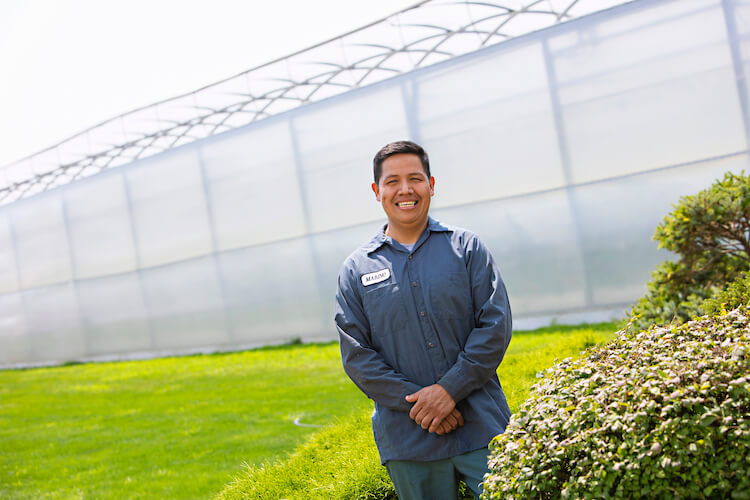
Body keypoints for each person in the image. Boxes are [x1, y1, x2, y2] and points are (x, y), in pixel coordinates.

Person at [334, 140, 513, 500]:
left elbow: (494, 325)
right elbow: (357, 356)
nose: (405, 190)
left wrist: (449, 391)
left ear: (431, 184)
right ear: (376, 191)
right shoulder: (356, 269)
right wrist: (420, 405)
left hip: (483, 429)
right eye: (392, 181)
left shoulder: (467, 248)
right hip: (409, 443)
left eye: (415, 178)